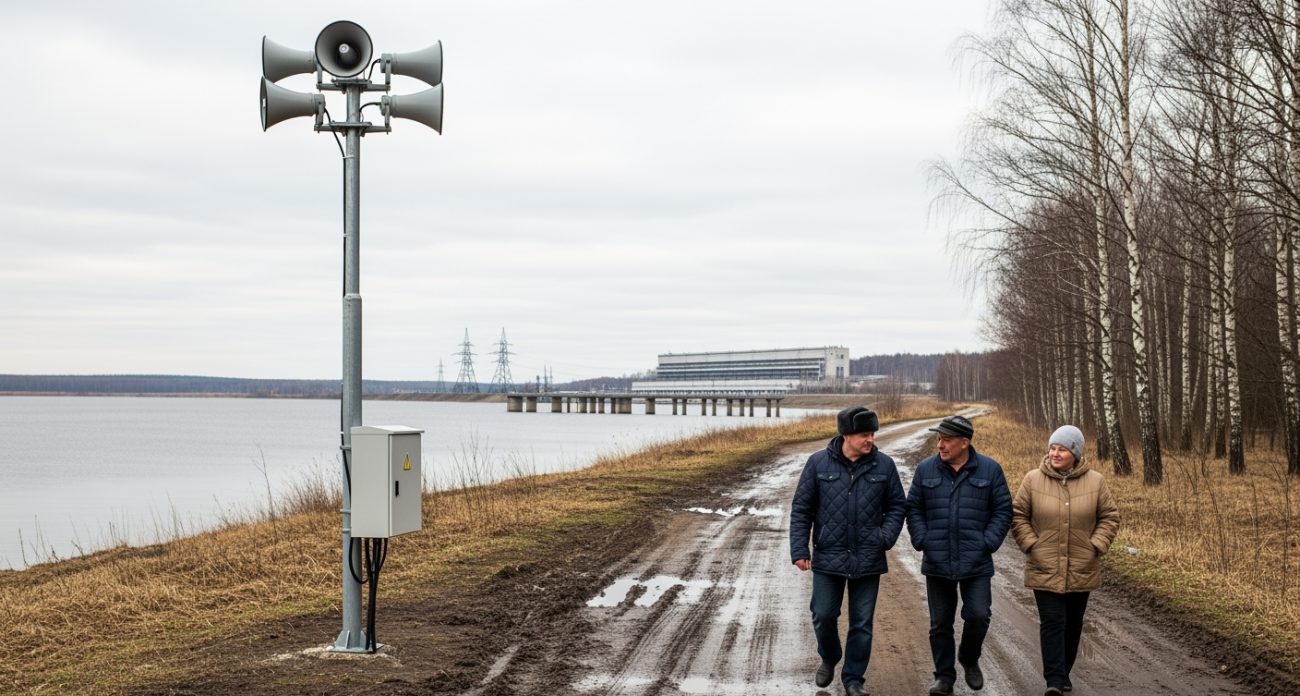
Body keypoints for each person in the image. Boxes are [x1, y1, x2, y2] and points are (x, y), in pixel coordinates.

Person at [790, 406, 906, 696]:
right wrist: (799, 549)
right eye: (864, 434)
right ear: (846, 436)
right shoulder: (817, 463)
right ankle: (830, 657)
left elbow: (897, 506)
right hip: (828, 554)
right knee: (822, 615)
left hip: (868, 556)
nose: (870, 440)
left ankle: (853, 678)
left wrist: (884, 537)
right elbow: (802, 509)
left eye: (872, 434)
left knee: (862, 624)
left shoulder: (885, 465)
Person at [906, 414, 1012, 696]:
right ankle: (944, 677)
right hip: (937, 559)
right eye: (939, 439)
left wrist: (987, 542)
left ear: (965, 443)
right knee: (940, 624)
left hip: (976, 559)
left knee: (978, 614)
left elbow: (1003, 510)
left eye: (946, 440)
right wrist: (923, 539)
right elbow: (913, 508)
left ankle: (968, 657)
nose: (940, 445)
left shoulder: (990, 470)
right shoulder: (926, 469)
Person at [1010, 425, 1119, 696]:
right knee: (1053, 621)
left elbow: (1109, 517)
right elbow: (1019, 515)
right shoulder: (1032, 479)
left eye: (1062, 449)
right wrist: (1031, 545)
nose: (1055, 454)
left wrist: (1095, 546)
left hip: (1082, 564)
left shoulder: (1096, 481)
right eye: (1052, 448)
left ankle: (1064, 672)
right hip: (1044, 564)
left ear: (1076, 454)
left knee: (1073, 624)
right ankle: (1054, 680)